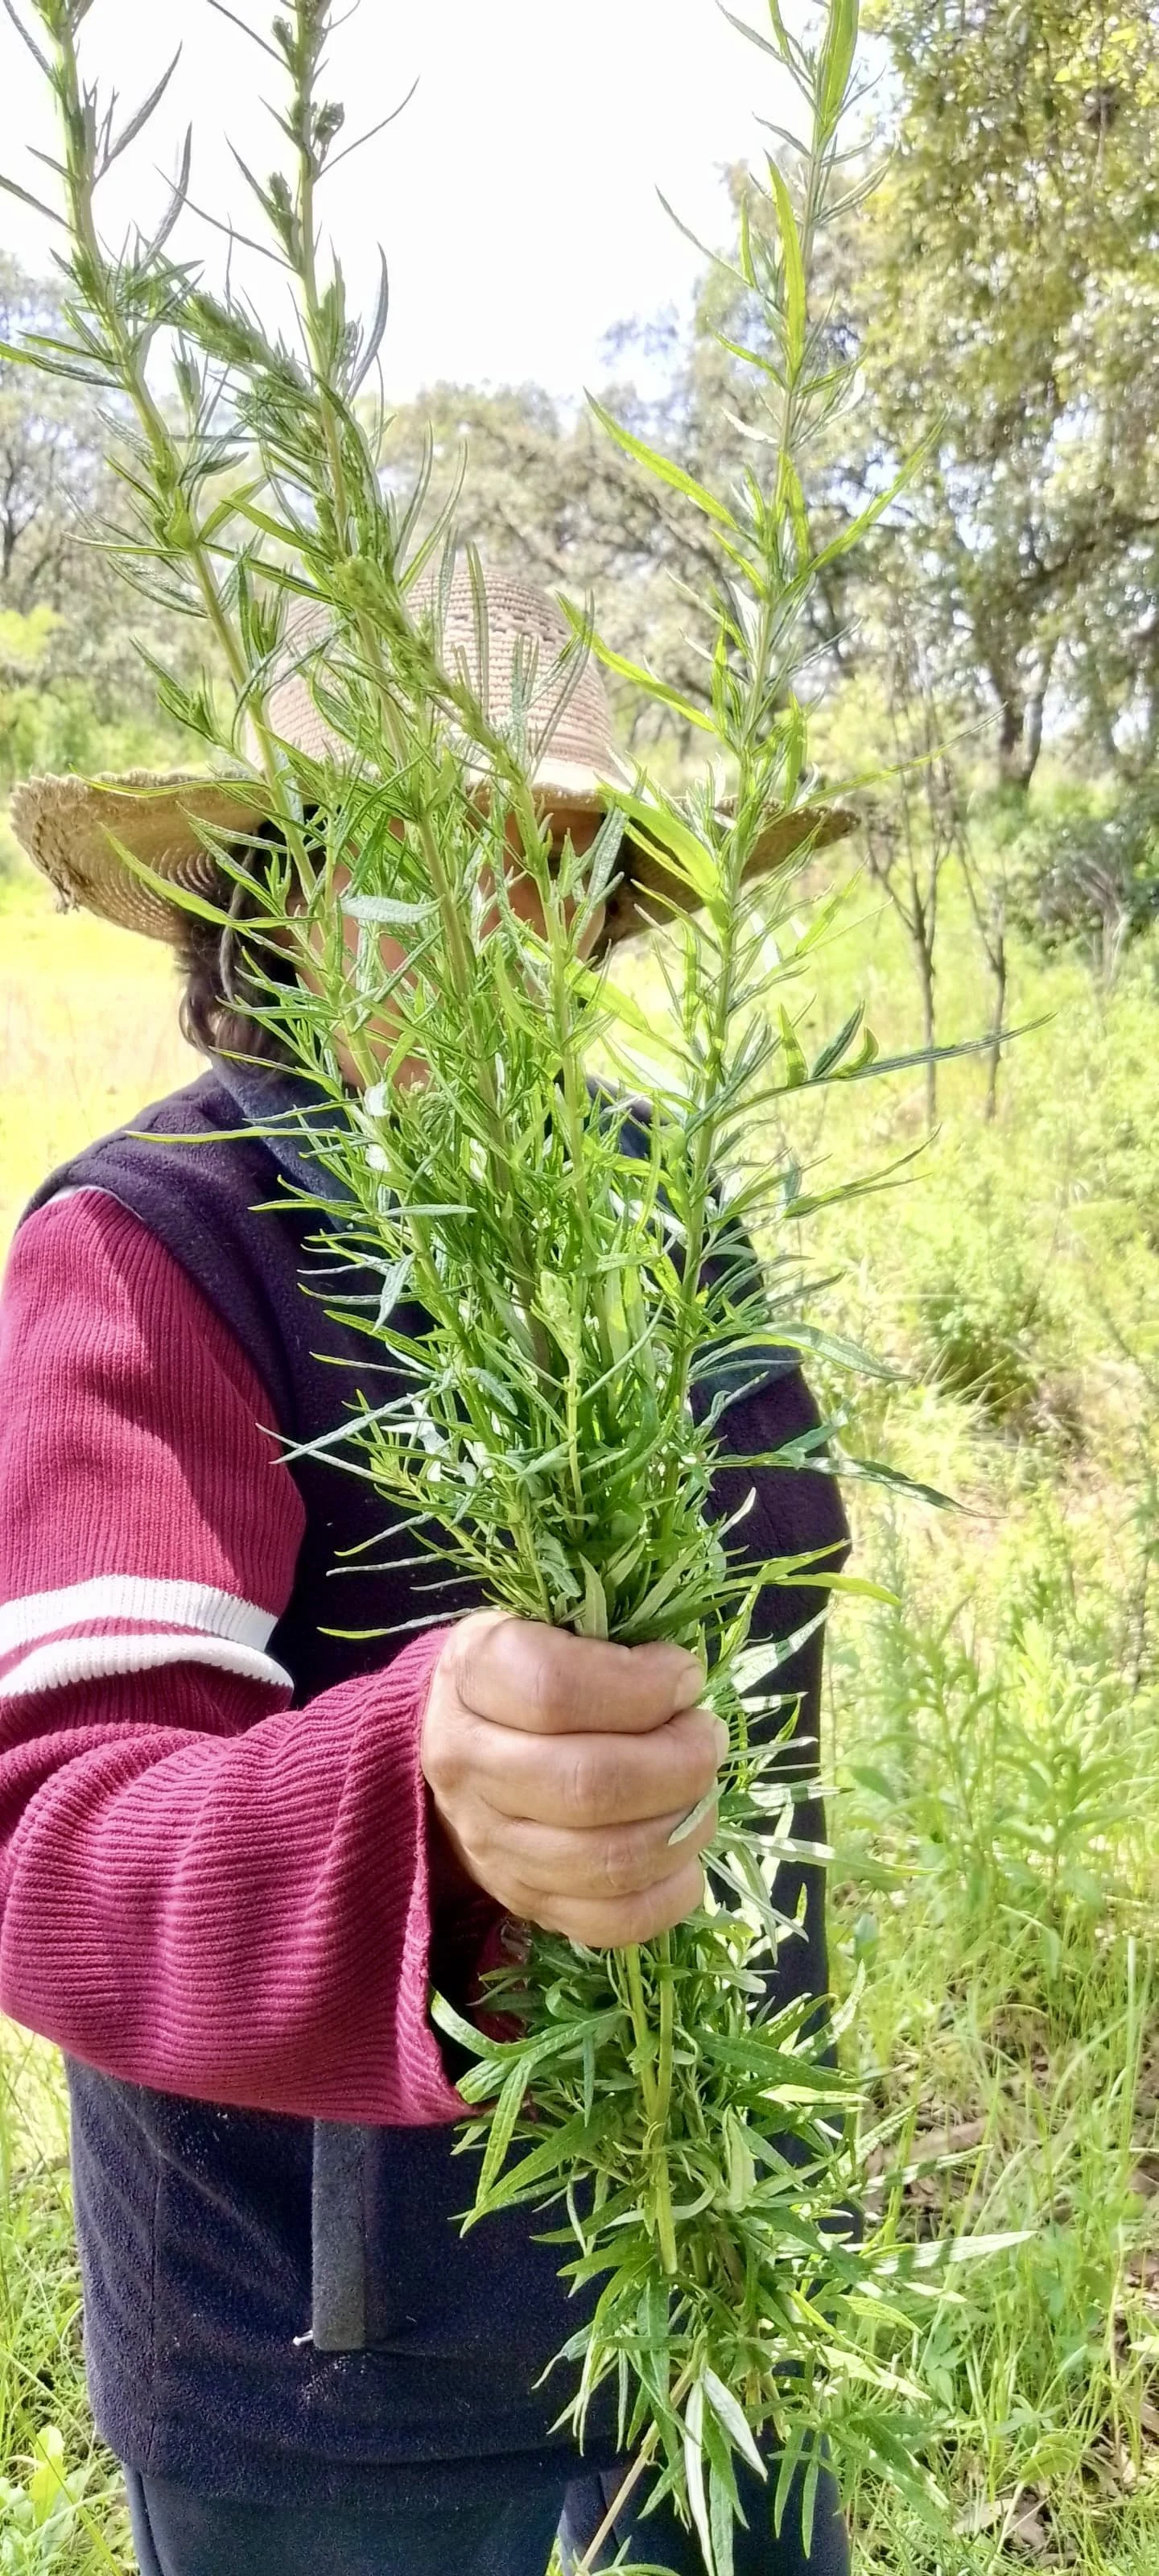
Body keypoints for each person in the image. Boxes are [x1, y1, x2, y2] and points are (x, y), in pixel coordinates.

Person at [0, 569, 852, 2576]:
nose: (491, 928)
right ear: (273, 901)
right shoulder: (152, 1253)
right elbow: (55, 1853)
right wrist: (426, 1796)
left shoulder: (670, 1218)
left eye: (545, 867)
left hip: (720, 2297)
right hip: (340, 2413)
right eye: (407, 860)